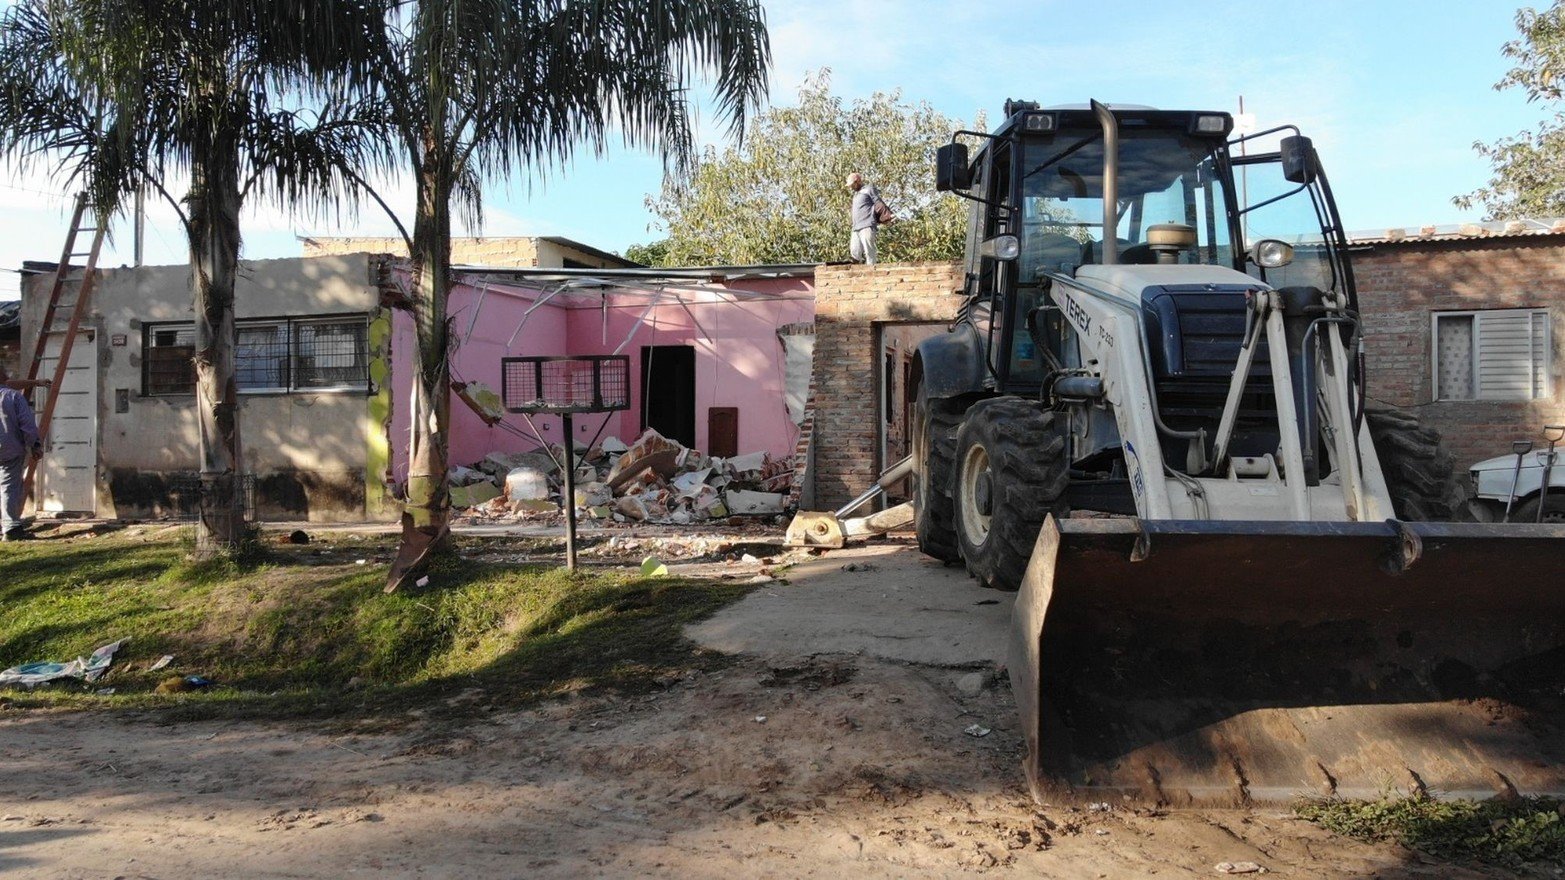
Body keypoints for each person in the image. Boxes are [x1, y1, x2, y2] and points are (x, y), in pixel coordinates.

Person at [0, 365, 43, 540]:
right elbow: (27, 425)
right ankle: (11, 528)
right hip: (9, 448)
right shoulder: (13, 396)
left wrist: (35, 382)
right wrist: (35, 445)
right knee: (8, 487)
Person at [846, 172, 889, 265]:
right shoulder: (856, 194)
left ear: (857, 181)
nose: (851, 187)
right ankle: (856, 273)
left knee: (869, 251)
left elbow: (878, 203)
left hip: (867, 225)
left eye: (852, 185)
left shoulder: (869, 189)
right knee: (854, 251)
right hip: (856, 227)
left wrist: (887, 215)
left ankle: (871, 271)